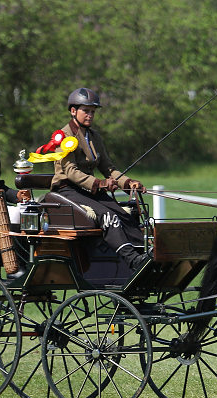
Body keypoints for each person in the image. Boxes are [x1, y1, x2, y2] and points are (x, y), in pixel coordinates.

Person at [50, 87, 147, 269]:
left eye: (93, 112)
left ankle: (144, 253)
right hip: (67, 191)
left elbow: (108, 168)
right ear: (73, 111)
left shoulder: (94, 136)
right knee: (108, 215)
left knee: (122, 213)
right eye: (85, 111)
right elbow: (70, 171)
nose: (90, 115)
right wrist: (99, 183)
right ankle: (132, 260)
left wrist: (128, 183)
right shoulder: (64, 136)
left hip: (88, 190)